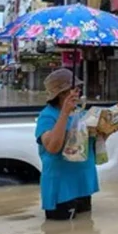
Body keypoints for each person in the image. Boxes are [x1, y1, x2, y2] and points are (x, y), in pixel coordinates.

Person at [35, 68, 98, 221]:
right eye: (74, 90)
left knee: (85, 233)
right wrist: (64, 113)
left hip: (82, 182)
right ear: (62, 94)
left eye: (78, 90)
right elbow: (52, 147)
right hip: (62, 186)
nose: (78, 93)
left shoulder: (80, 113)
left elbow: (89, 146)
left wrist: (105, 130)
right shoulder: (47, 116)